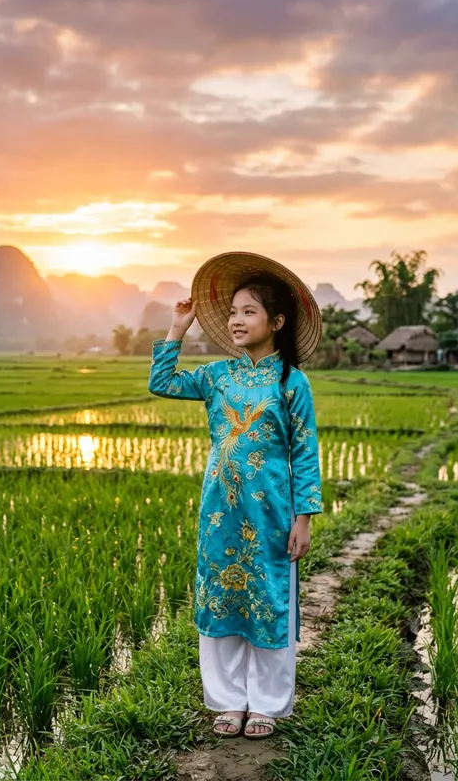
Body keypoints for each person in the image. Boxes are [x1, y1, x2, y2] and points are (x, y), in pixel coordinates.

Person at [148, 252, 323, 740]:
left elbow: (305, 452)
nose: (237, 320)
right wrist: (178, 328)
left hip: (272, 513)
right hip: (219, 511)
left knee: (269, 600)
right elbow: (160, 382)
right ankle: (228, 702)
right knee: (221, 598)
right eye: (232, 312)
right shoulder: (217, 375)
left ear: (277, 321)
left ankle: (267, 704)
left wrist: (305, 517)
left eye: (249, 311)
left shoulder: (291, 381)